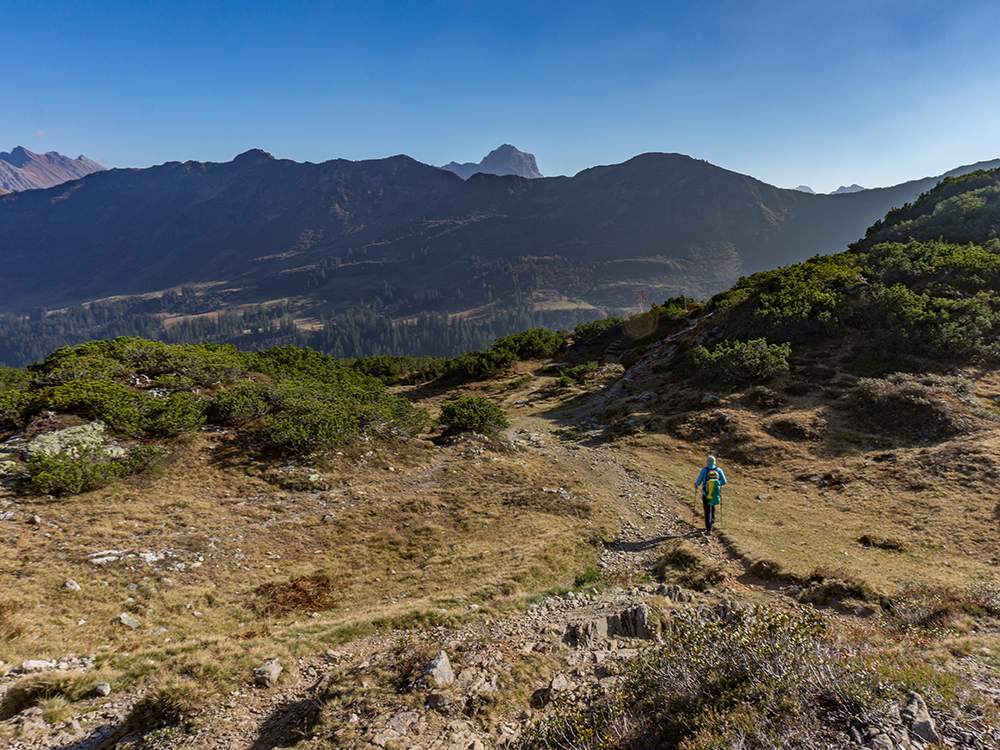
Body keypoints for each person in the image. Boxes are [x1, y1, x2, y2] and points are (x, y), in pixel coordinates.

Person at [694, 455, 727, 534]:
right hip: (715, 493)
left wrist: (696, 485)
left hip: (706, 493)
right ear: (714, 463)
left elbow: (699, 481)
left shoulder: (704, 470)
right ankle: (712, 520)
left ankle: (709, 529)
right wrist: (717, 485)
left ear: (707, 462)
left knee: (707, 510)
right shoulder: (719, 470)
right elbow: (724, 481)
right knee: (713, 506)